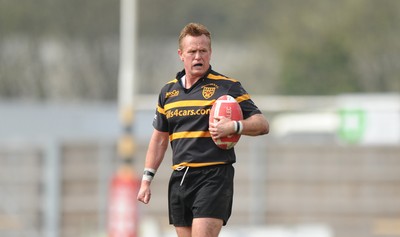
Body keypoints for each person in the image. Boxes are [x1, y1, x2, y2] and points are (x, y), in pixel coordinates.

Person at [137, 22, 269, 237]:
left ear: (210, 53)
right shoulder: (168, 93)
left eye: (203, 51)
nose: (198, 56)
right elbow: (159, 139)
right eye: (192, 51)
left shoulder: (227, 87)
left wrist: (235, 126)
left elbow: (262, 124)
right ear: (181, 54)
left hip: (214, 176)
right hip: (180, 178)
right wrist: (146, 180)